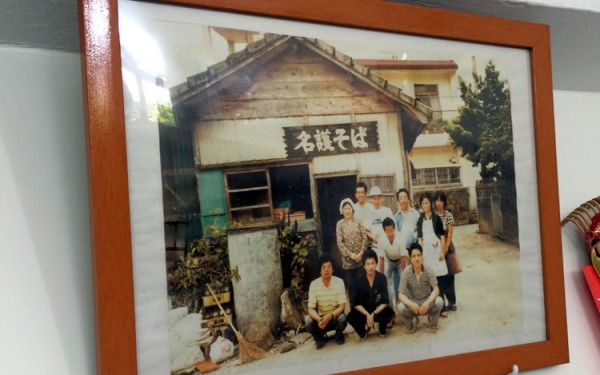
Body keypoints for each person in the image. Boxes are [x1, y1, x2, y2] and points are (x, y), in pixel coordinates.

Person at [347, 249, 395, 340]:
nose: (370, 267)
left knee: (389, 311)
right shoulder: (359, 281)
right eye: (368, 264)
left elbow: (385, 301)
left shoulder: (381, 277)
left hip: (377, 310)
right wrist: (367, 315)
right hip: (365, 311)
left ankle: (382, 328)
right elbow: (356, 303)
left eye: (372, 263)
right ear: (364, 266)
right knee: (350, 316)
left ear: (376, 264)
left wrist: (373, 314)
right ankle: (363, 332)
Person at [398, 243, 444, 333]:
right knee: (400, 307)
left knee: (439, 301)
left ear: (422, 256)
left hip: (426, 301)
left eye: (419, 255)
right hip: (413, 302)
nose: (416, 258)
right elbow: (400, 294)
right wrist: (410, 304)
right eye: (414, 256)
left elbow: (436, 289)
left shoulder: (428, 269)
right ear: (410, 259)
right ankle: (413, 320)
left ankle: (432, 317)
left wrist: (428, 302)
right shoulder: (406, 272)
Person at [306, 254, 348, 349]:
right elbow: (310, 309)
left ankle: (338, 334)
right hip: (320, 319)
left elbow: (342, 307)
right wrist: (318, 319)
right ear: (320, 270)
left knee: (343, 318)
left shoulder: (339, 282)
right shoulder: (314, 284)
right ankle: (320, 337)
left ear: (333, 269)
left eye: (329, 266)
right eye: (323, 267)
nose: (326, 269)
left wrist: (330, 316)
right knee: (307, 321)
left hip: (334, 317)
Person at [434, 192, 461, 315]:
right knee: (439, 276)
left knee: (450, 275)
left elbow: (449, 234)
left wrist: (445, 249)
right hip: (436, 247)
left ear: (444, 202)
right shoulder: (433, 216)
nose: (438, 203)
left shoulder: (449, 215)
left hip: (448, 247)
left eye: (441, 200)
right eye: (436, 200)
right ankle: (441, 303)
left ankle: (452, 302)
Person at [336, 198, 368, 291]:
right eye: (345, 208)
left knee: (362, 285)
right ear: (342, 211)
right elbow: (340, 242)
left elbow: (364, 237)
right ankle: (353, 305)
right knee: (352, 287)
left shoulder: (358, 221)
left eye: (349, 208)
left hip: (360, 260)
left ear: (352, 209)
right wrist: (351, 255)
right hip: (348, 262)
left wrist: (361, 254)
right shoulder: (339, 224)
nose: (347, 210)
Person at [379, 217, 408, 316]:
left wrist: (404, 275)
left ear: (394, 229)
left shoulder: (400, 238)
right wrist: (381, 277)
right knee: (386, 285)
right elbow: (382, 260)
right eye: (387, 231)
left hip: (400, 261)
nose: (390, 233)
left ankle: (406, 308)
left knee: (404, 282)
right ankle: (391, 311)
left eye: (392, 230)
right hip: (388, 261)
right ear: (384, 231)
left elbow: (403, 258)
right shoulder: (381, 240)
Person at [416, 193, 448, 279]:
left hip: (437, 251)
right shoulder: (420, 220)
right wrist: (420, 255)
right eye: (423, 203)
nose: (425, 205)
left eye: (427, 203)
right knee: (428, 277)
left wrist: (442, 252)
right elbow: (420, 238)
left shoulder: (436, 218)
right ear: (421, 205)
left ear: (431, 204)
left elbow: (442, 236)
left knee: (440, 276)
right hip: (426, 253)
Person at [365, 186, 394, 273]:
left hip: (387, 246)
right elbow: (366, 230)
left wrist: (387, 236)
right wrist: (373, 237)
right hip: (376, 246)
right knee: (377, 271)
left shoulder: (387, 211)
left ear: (382, 199)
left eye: (378, 198)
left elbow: (393, 228)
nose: (376, 200)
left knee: (388, 271)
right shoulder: (368, 212)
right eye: (374, 198)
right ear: (371, 199)